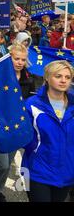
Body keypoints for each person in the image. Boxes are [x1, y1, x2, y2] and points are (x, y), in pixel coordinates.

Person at [0, 42, 35, 202]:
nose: (20, 62)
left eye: (23, 59)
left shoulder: (28, 78)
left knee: (9, 161)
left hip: (16, 126)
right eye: (16, 58)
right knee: (3, 164)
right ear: (9, 58)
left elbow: (29, 101)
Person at [22, 60, 74, 202]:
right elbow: (22, 137)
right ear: (47, 78)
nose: (63, 80)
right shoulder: (31, 104)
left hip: (67, 173)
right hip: (37, 172)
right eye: (58, 76)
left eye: (67, 77)